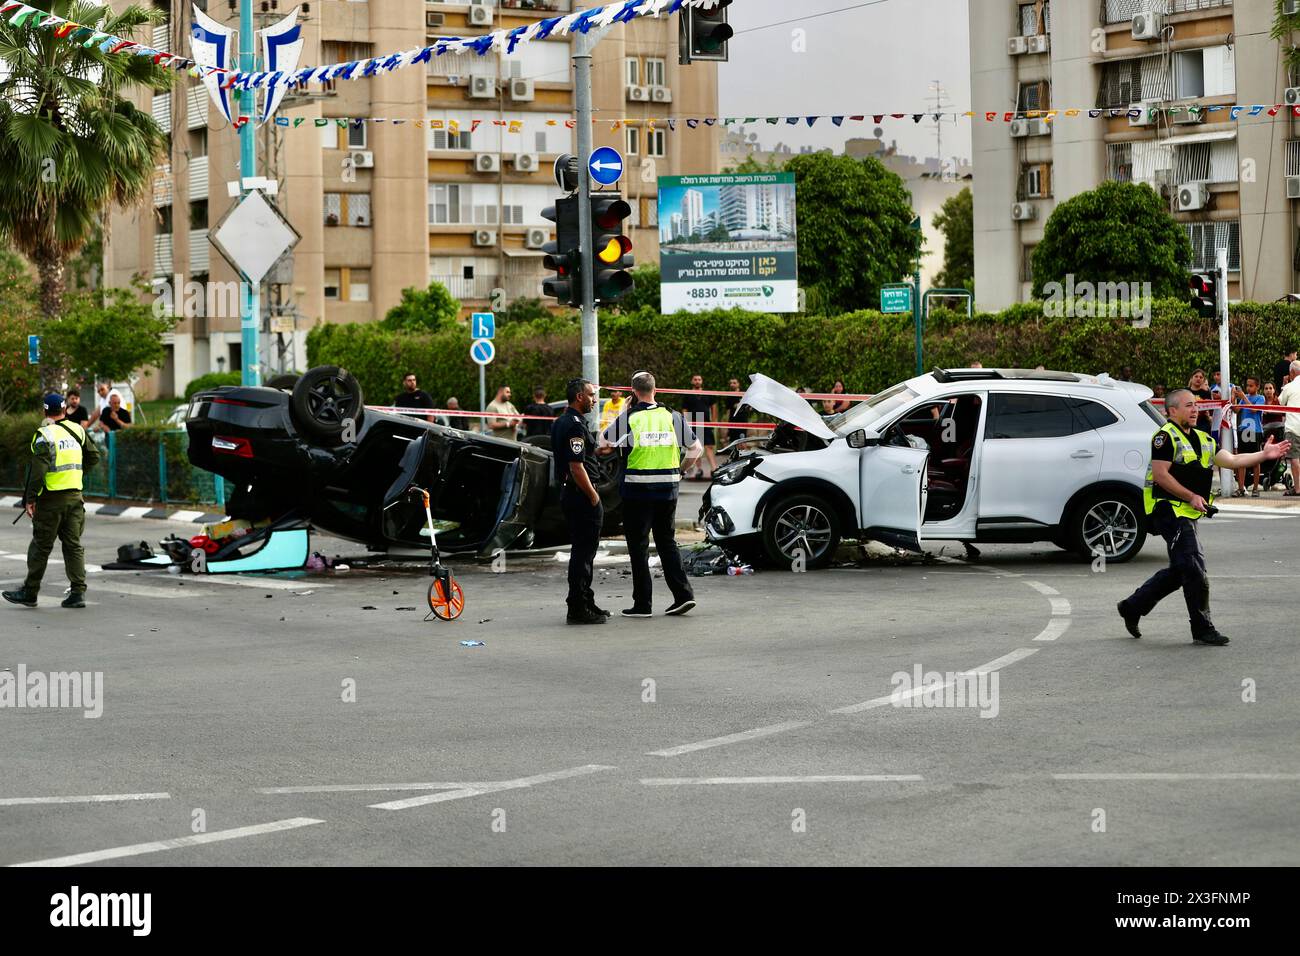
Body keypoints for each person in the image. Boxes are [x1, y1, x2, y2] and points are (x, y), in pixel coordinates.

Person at [1117, 388, 1290, 645]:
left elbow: (1231, 459)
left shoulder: (1204, 439)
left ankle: (1132, 606)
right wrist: (1190, 496)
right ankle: (1202, 628)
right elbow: (1162, 475)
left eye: (1196, 405)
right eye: (1188, 405)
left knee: (1182, 569)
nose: (1195, 409)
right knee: (1194, 567)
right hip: (1167, 509)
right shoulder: (1164, 437)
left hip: (1187, 511)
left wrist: (1263, 455)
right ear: (1172, 411)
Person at [600, 371, 702, 619]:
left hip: (637, 491)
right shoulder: (672, 416)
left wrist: (624, 412)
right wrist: (680, 471)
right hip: (667, 490)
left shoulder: (631, 418)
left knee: (638, 546)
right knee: (667, 542)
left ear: (634, 392)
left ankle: (643, 604)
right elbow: (696, 448)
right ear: (656, 389)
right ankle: (683, 596)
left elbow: (603, 443)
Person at [3, 394, 101, 609]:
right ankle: (77, 593)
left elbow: (38, 472)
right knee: (73, 546)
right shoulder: (78, 430)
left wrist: (30, 499)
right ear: (64, 409)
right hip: (75, 498)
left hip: (51, 500)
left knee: (40, 546)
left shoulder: (43, 435)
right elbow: (94, 457)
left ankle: (30, 592)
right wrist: (77, 474)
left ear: (45, 411)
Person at [550, 379, 607, 625]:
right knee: (583, 554)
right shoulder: (574, 425)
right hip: (581, 495)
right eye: (592, 395)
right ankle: (578, 608)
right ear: (580, 397)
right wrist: (593, 496)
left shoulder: (563, 421)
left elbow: (580, 456)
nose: (594, 400)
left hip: (572, 494)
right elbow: (576, 466)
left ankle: (585, 600)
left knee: (584, 553)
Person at [1231, 377, 1266, 497]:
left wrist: (1243, 397)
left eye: (1251, 386)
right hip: (1243, 430)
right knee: (1241, 460)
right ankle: (1241, 488)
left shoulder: (1260, 398)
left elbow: (1254, 410)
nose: (1248, 388)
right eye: (1247, 385)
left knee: (1255, 460)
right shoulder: (1243, 398)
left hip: (1255, 431)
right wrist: (1234, 397)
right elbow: (1235, 410)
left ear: (1257, 387)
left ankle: (1255, 488)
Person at [681, 374, 716, 480]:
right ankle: (699, 470)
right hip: (694, 423)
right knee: (697, 448)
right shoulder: (688, 395)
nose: (697, 381)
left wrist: (713, 421)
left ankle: (714, 469)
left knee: (709, 446)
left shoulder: (707, 393)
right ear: (692, 381)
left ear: (702, 381)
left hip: (706, 422)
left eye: (699, 379)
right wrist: (687, 424)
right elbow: (684, 410)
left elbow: (713, 407)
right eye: (695, 379)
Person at [1278, 360, 1300, 497]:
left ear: (1292, 372)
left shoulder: (1290, 386)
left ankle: (1298, 488)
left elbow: (1280, 402)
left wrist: (1284, 385)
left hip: (1293, 426)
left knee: (1295, 457)